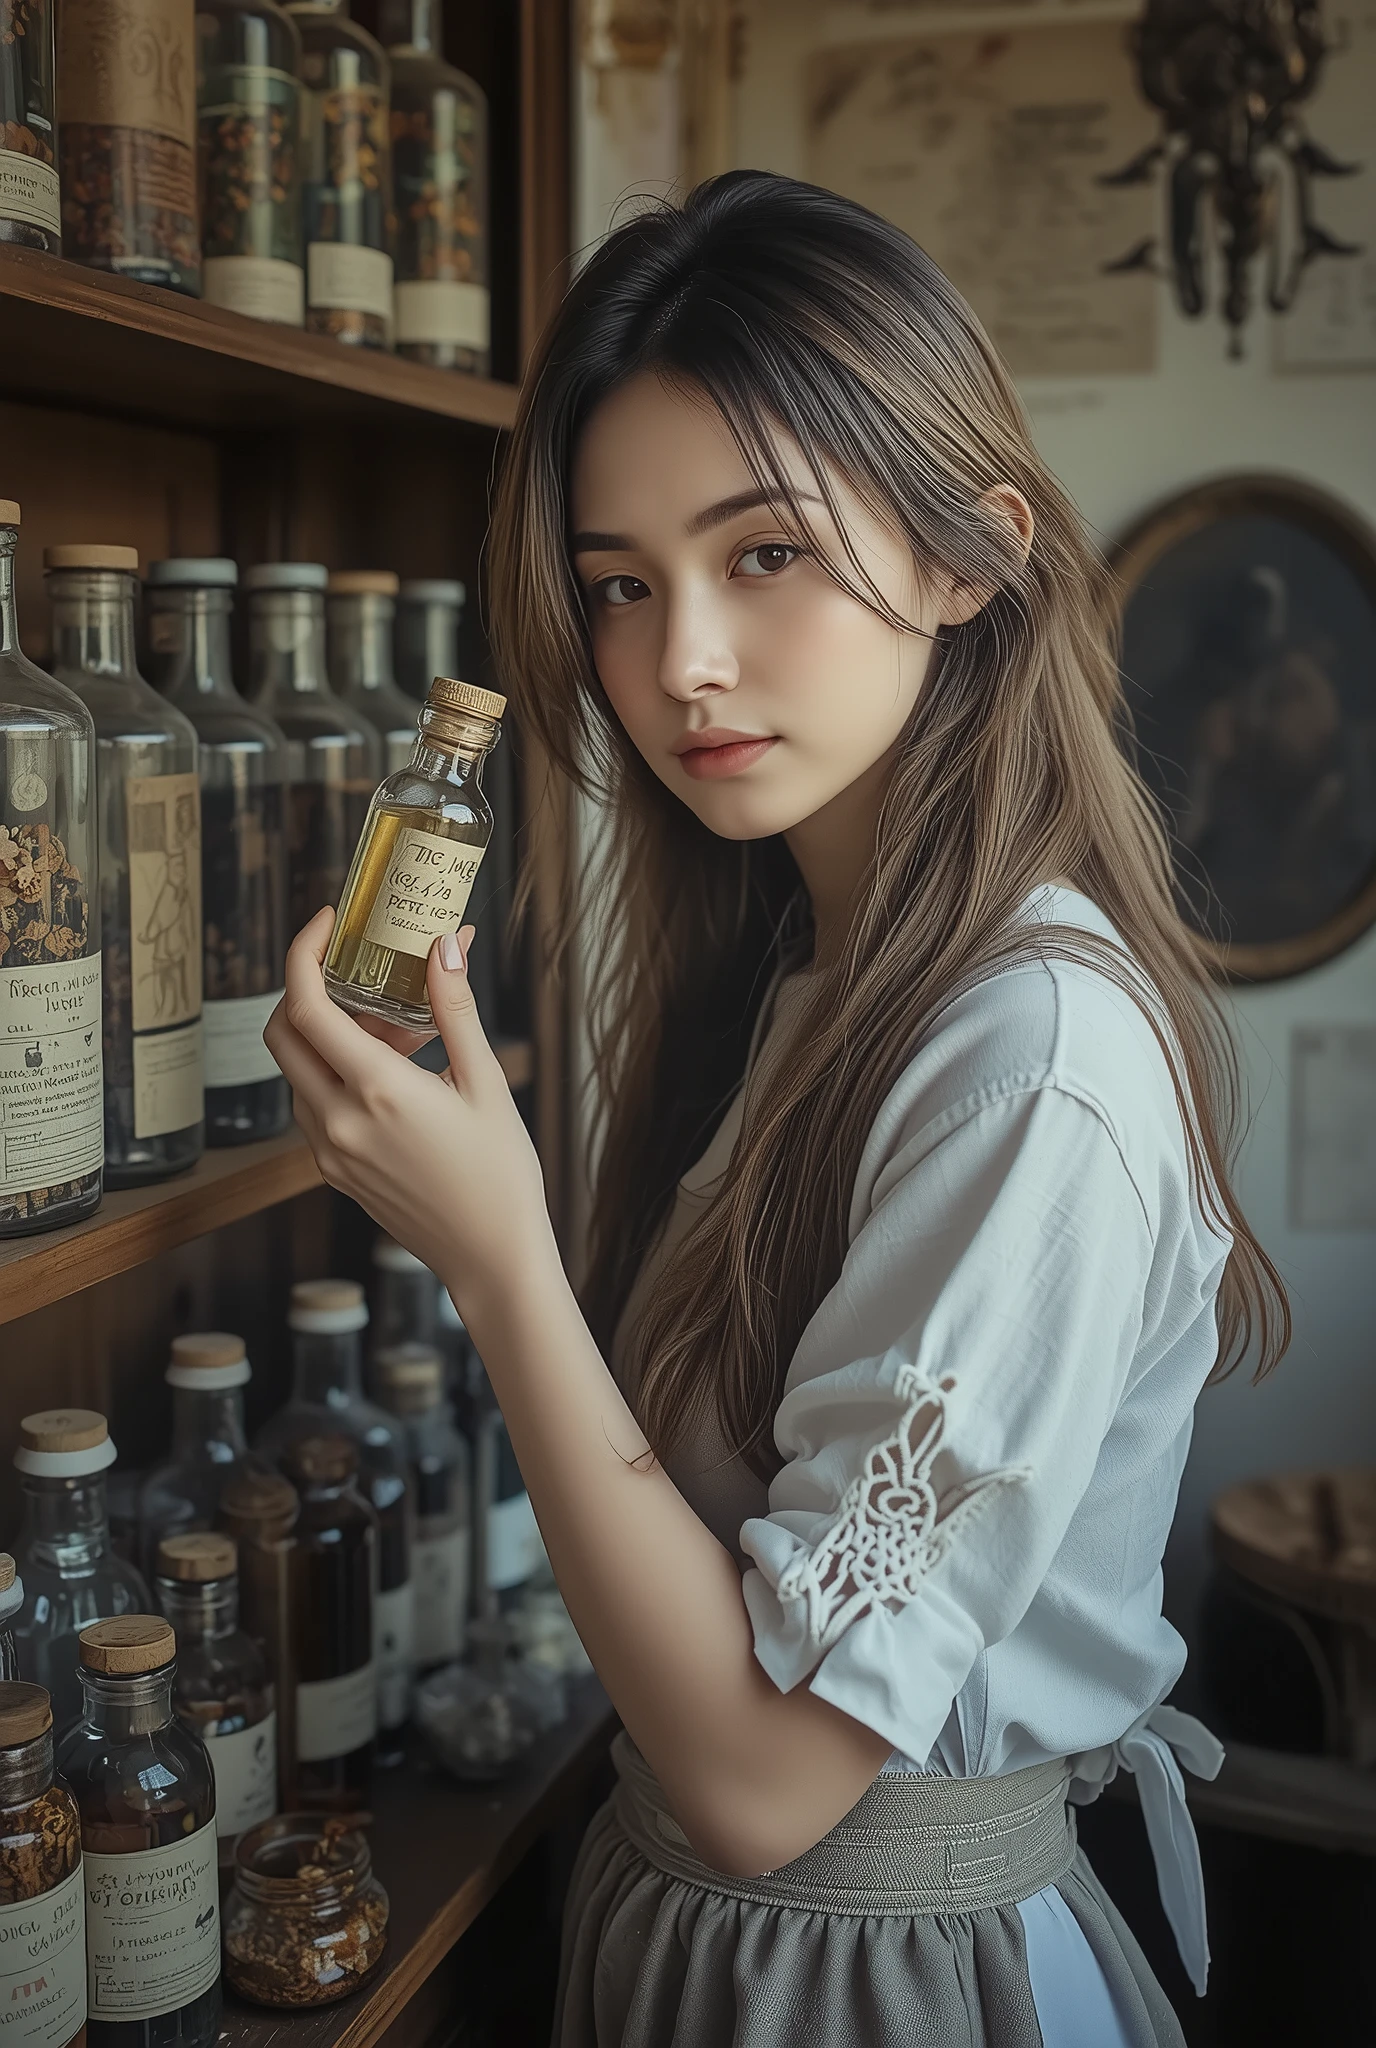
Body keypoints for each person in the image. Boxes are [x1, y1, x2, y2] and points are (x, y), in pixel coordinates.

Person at [266, 172, 1289, 2047]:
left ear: (967, 557)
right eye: (620, 586)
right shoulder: (806, 965)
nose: (679, 668)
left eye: (765, 556)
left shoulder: (1032, 1059)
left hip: (891, 1985)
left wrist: (501, 1263)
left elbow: (764, 1779)